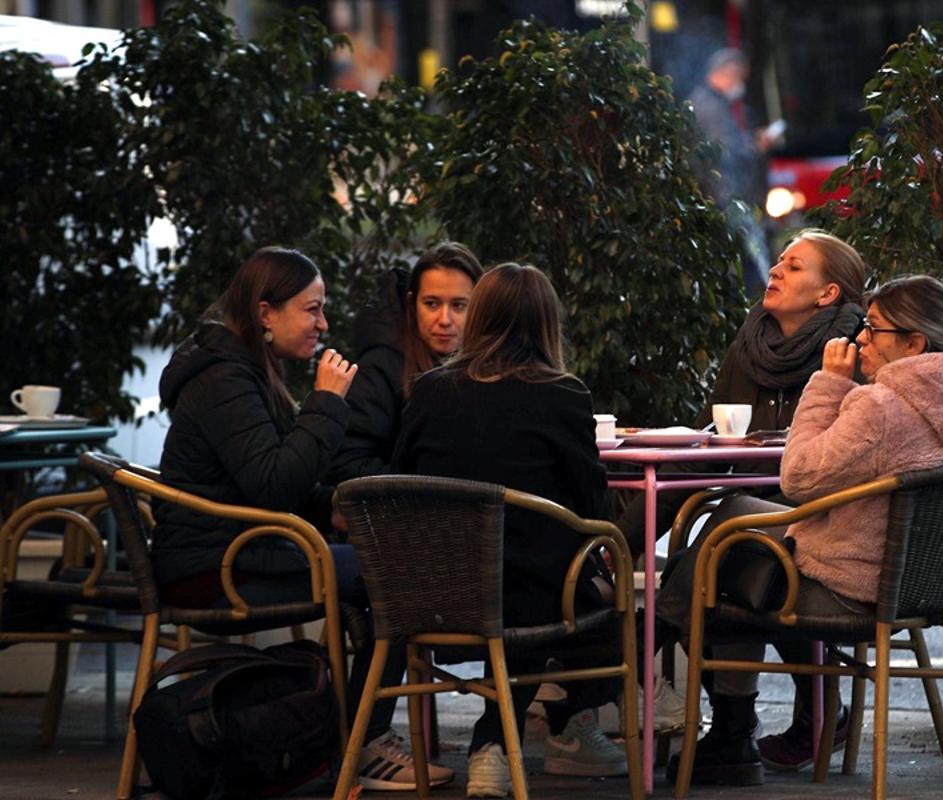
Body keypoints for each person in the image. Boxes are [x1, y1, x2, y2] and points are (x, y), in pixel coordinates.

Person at [657, 274, 943, 785]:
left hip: (844, 586)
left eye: (873, 330)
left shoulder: (881, 405)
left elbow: (797, 476)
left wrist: (830, 383)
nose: (860, 339)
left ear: (914, 344)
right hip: (914, 587)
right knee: (733, 529)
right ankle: (736, 719)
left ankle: (657, 664)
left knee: (721, 545)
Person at [153, 246, 454, 792]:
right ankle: (364, 741)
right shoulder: (225, 380)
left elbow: (267, 481)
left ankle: (350, 732)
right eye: (311, 310)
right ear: (266, 313)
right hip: (216, 568)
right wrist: (327, 402)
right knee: (400, 574)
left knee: (393, 566)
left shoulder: (245, 370)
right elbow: (272, 483)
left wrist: (332, 510)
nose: (324, 323)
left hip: (240, 551)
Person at [391, 263, 628, 797]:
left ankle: (499, 744)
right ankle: (523, 736)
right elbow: (591, 510)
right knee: (597, 595)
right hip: (528, 596)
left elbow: (400, 482)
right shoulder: (563, 395)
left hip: (427, 591)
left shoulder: (428, 390)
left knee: (517, 564)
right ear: (547, 324)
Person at [616, 229, 867, 562]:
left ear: (827, 293)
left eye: (793, 268)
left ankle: (663, 613)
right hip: (747, 518)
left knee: (722, 536)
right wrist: (623, 543)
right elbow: (704, 448)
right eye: (778, 263)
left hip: (822, 517)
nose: (775, 272)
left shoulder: (853, 353)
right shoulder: (749, 348)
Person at [325, 242, 483, 483]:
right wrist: (422, 484)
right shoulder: (381, 367)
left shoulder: (488, 365)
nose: (444, 319)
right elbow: (346, 463)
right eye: (431, 304)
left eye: (459, 305)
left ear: (480, 308)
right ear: (412, 304)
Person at [689, 47, 783, 295]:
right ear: (729, 73)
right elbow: (725, 151)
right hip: (727, 199)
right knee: (747, 264)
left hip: (728, 197)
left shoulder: (709, 102)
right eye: (740, 78)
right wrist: (756, 144)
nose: (740, 86)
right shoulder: (710, 106)